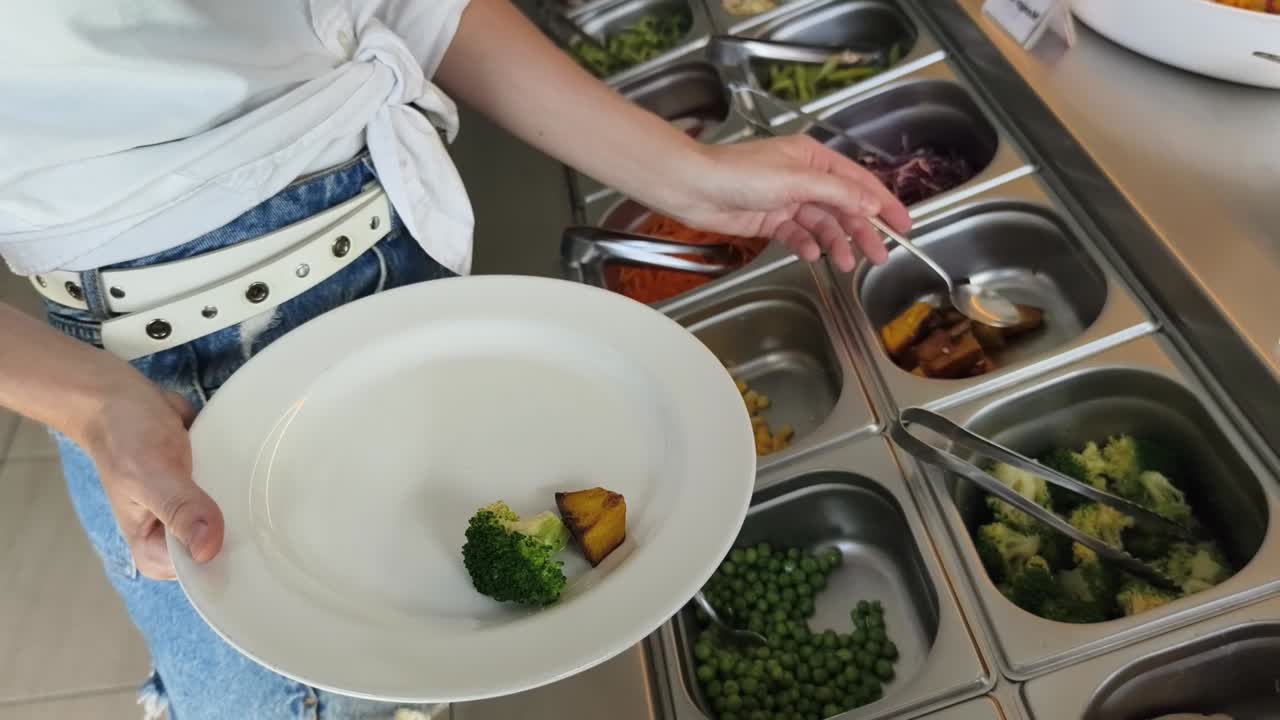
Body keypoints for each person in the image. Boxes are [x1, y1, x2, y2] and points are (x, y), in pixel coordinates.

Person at [0, 1, 911, 718]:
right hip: (166, 373)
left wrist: (689, 177)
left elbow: (413, 7)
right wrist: (90, 404)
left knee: (423, 663)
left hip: (409, 266)